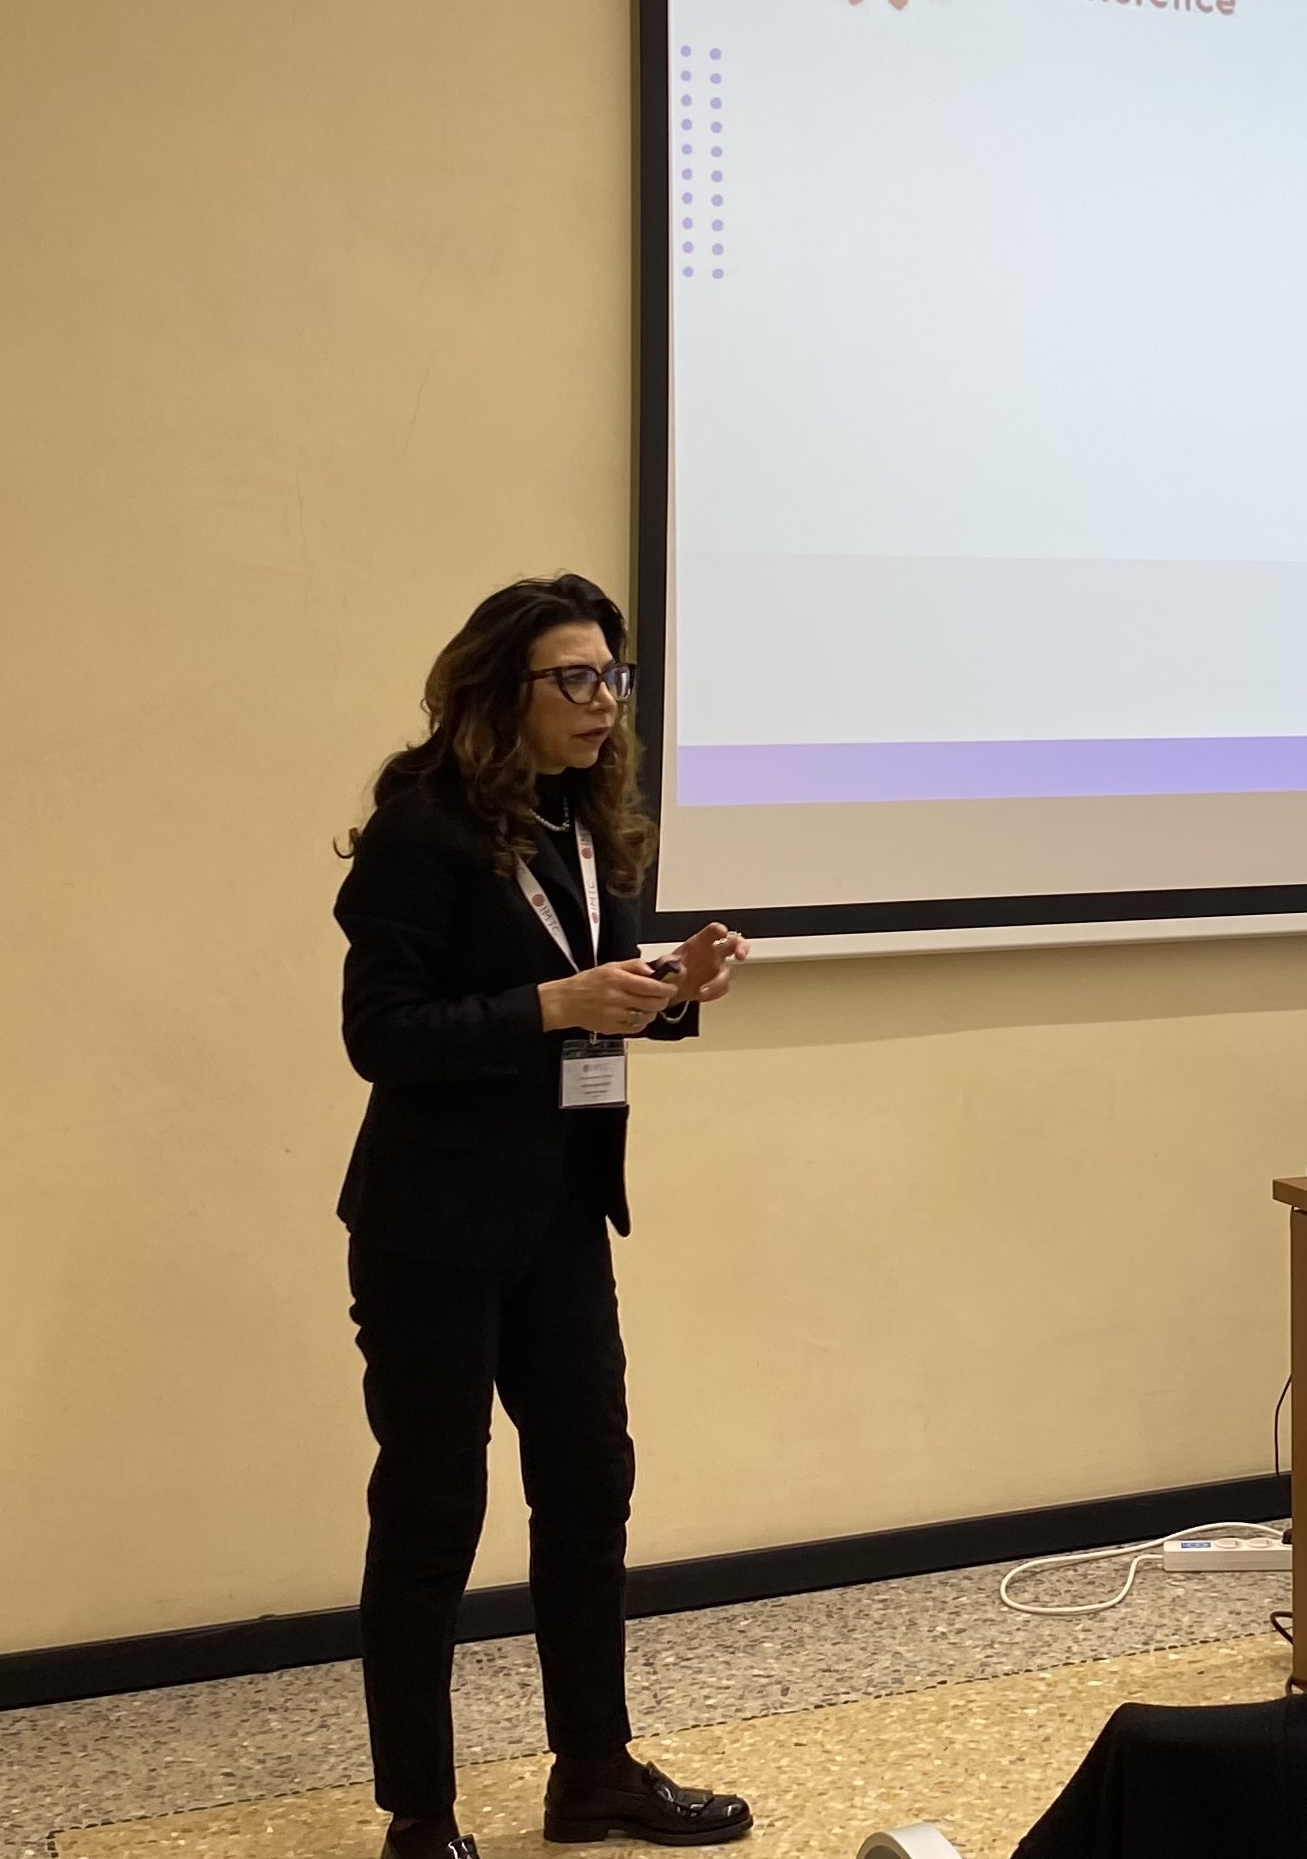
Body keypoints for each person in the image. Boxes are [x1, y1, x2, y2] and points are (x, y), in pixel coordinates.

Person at [333, 575, 753, 1858]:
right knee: (433, 1515)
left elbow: (586, 990)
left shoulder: (586, 820)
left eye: (612, 677)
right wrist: (552, 1009)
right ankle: (421, 1814)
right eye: (575, 678)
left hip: (561, 1217)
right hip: (432, 1231)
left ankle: (595, 1774)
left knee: (588, 1491)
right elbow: (381, 1035)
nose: (603, 701)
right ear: (498, 690)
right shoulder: (421, 830)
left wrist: (669, 988)